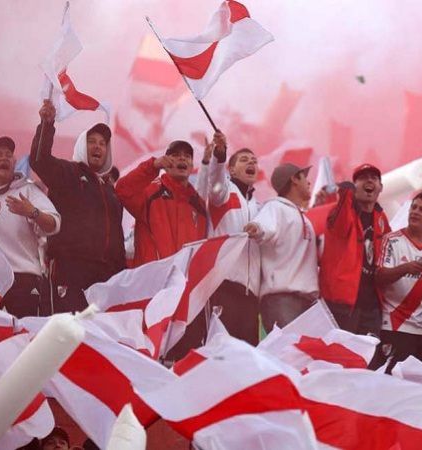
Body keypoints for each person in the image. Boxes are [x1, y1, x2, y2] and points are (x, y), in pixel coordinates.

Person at [29, 100, 125, 314]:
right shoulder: (68, 173)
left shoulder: (111, 192)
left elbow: (117, 237)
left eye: (102, 143)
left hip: (106, 277)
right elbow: (40, 161)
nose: (98, 146)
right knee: (69, 334)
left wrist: (120, 275)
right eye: (92, 141)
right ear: (82, 145)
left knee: (99, 338)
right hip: (70, 270)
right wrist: (47, 123)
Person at [0, 137, 60, 318]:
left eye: (8, 155)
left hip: (23, 277)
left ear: (15, 163)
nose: (4, 158)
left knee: (25, 336)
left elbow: (54, 224)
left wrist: (33, 212)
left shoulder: (27, 191)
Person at [375, 191, 422, 371]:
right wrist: (405, 269)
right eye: (413, 207)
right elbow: (379, 277)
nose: (415, 212)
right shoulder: (392, 240)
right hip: (393, 326)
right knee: (387, 380)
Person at [245, 163, 318, 332]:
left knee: (301, 357)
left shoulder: (303, 217)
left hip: (306, 304)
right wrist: (256, 228)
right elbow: (264, 226)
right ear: (294, 179)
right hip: (282, 300)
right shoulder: (275, 207)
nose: (309, 183)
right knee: (288, 355)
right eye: (304, 177)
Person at [204, 133, 262, 345]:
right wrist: (220, 155)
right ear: (231, 169)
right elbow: (215, 182)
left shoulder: (259, 207)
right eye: (245, 160)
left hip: (251, 295)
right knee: (221, 352)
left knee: (248, 357)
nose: (252, 163)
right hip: (224, 287)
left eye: (255, 161)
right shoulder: (224, 193)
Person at [320, 163, 390, 336]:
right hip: (343, 303)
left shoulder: (381, 218)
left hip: (373, 304)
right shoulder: (341, 212)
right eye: (363, 178)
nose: (369, 181)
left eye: (374, 178)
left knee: (367, 358)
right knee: (340, 356)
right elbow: (340, 223)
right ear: (354, 186)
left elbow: (394, 245)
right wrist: (345, 194)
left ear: (381, 188)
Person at [115, 139, 207, 267]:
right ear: (165, 162)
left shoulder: (199, 206)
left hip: (183, 283)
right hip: (152, 281)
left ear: (191, 166)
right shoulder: (150, 193)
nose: (182, 158)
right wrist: (153, 166)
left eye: (187, 156)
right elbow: (122, 190)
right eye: (175, 155)